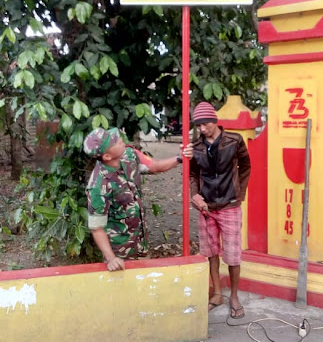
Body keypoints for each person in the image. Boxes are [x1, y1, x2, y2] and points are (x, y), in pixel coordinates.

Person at [83, 127, 192, 271]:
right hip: (120, 252)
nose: (120, 139)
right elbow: (97, 228)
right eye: (114, 142)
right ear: (107, 156)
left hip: (141, 242)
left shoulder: (129, 155)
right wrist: (111, 259)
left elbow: (154, 166)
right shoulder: (98, 185)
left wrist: (180, 157)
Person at [189, 102, 251, 318]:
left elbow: (246, 166)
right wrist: (195, 195)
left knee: (233, 255)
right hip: (206, 206)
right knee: (210, 251)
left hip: (229, 204)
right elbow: (193, 174)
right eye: (199, 126)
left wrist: (239, 194)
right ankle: (217, 293)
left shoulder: (235, 140)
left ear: (214, 121)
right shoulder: (195, 147)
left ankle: (234, 295)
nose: (202, 129)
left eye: (205, 124)